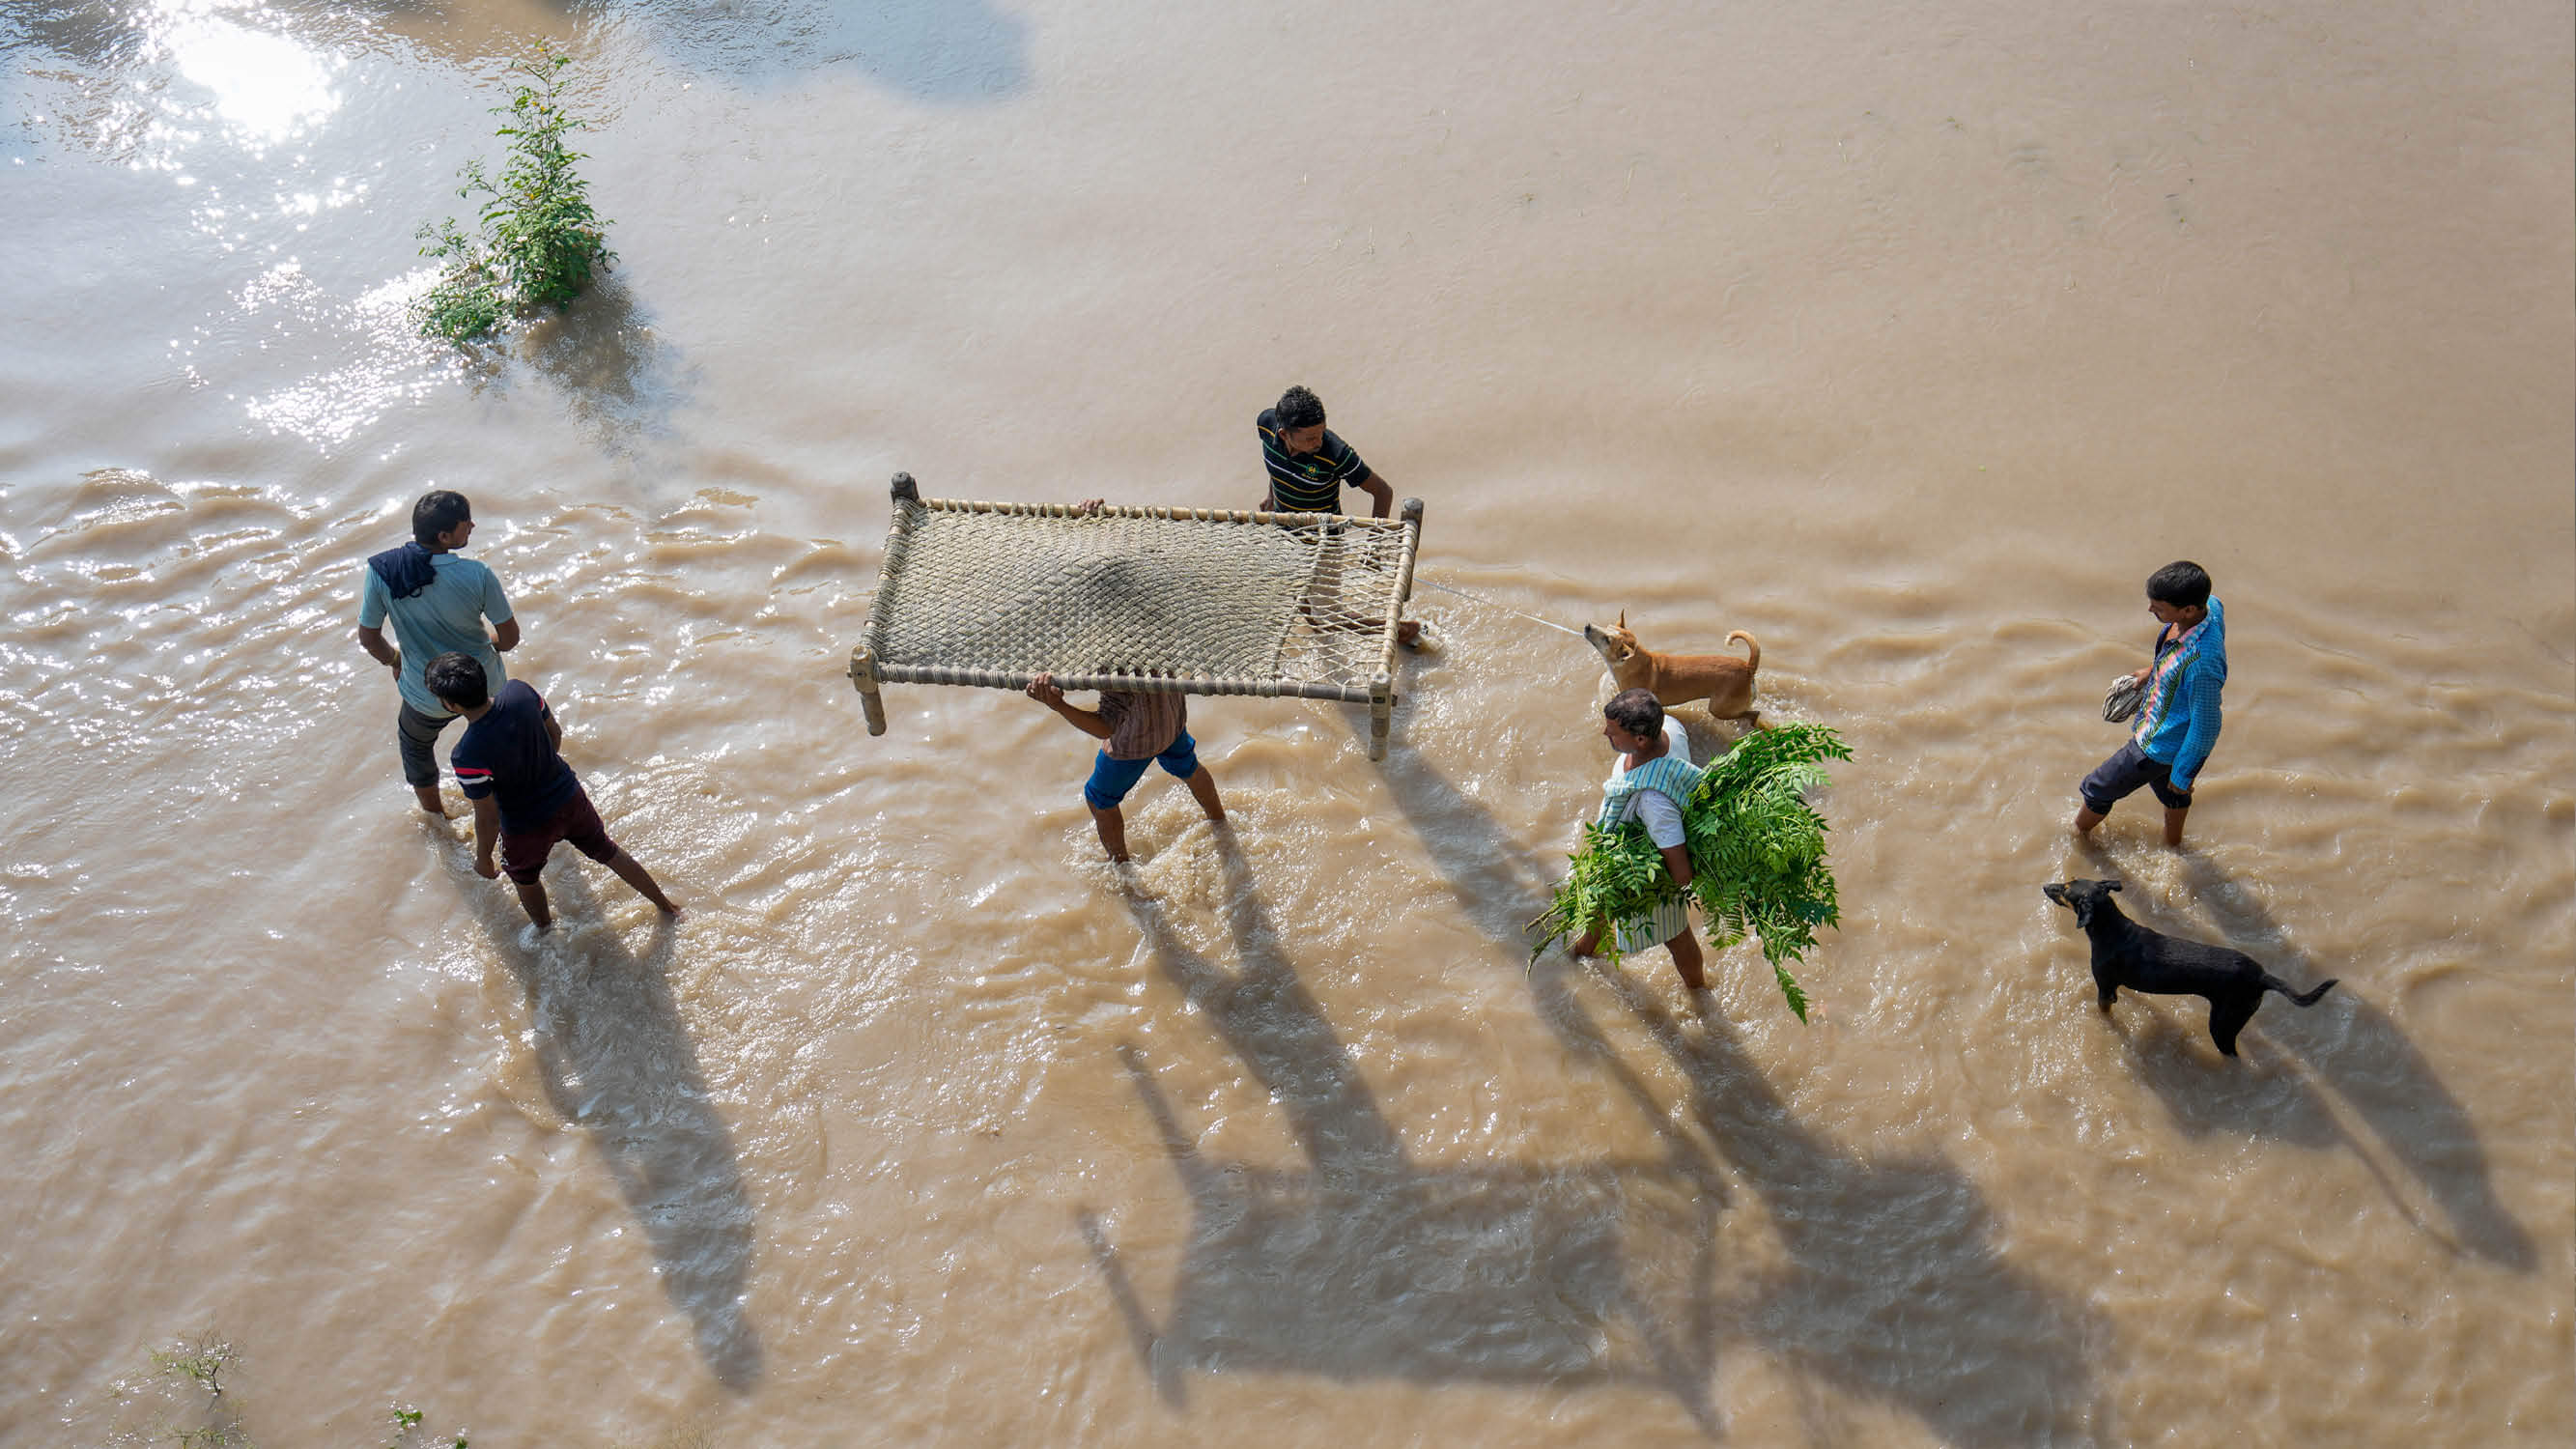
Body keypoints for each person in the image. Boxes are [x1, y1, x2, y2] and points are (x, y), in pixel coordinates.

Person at [424, 652, 679, 931]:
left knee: (524, 878)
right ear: (483, 677)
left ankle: (545, 931)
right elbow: (555, 733)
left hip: (524, 826)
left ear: (451, 704)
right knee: (608, 851)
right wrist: (543, 768)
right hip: (569, 796)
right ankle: (668, 907)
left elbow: (488, 817)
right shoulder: (520, 692)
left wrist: (483, 858)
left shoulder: (466, 754)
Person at [355, 491, 518, 816]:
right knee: (502, 745)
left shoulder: (382, 571)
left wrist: (395, 660)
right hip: (481, 684)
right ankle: (510, 807)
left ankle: (436, 818)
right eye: (464, 523)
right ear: (444, 536)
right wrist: (491, 643)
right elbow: (510, 638)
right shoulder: (478, 574)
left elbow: (369, 637)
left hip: (426, 691)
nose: (472, 525)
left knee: (416, 750)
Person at [1256, 384, 1424, 649]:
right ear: (1284, 434)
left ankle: (1402, 629)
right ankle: (1327, 639)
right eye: (1310, 438)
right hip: (1287, 534)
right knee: (1303, 601)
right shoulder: (1266, 425)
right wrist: (1272, 496)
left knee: (1329, 616)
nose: (1318, 442)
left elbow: (1382, 492)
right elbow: (1275, 465)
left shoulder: (1336, 454)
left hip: (1325, 541)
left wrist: (1373, 545)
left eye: (1321, 433)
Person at [2077, 560, 2227, 849]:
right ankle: (2174, 846)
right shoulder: (2212, 606)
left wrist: (2184, 773)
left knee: (2097, 788)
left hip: (2157, 745)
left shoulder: (2202, 665)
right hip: (2168, 731)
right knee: (2172, 792)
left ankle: (2077, 839)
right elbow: (2177, 654)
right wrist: (2154, 671)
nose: (2150, 611)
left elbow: (2207, 726)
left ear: (2188, 610)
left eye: (2159, 609)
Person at [1569, 689, 1708, 991]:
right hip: (1622, 853)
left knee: (1676, 936)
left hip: (1647, 868)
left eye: (1613, 732)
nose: (1605, 732)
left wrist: (1651, 882)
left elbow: (1682, 872)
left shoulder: (1653, 801)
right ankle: (1581, 954)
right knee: (1603, 900)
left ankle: (1699, 991)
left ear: (1641, 739)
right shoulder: (1669, 727)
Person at [1026, 670, 1224, 863]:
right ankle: (1220, 822)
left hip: (1138, 739)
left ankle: (1121, 865)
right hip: (1171, 719)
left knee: (1099, 798)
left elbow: (1105, 727)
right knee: (1188, 767)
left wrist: (1059, 705)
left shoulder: (1116, 664)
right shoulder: (1161, 639)